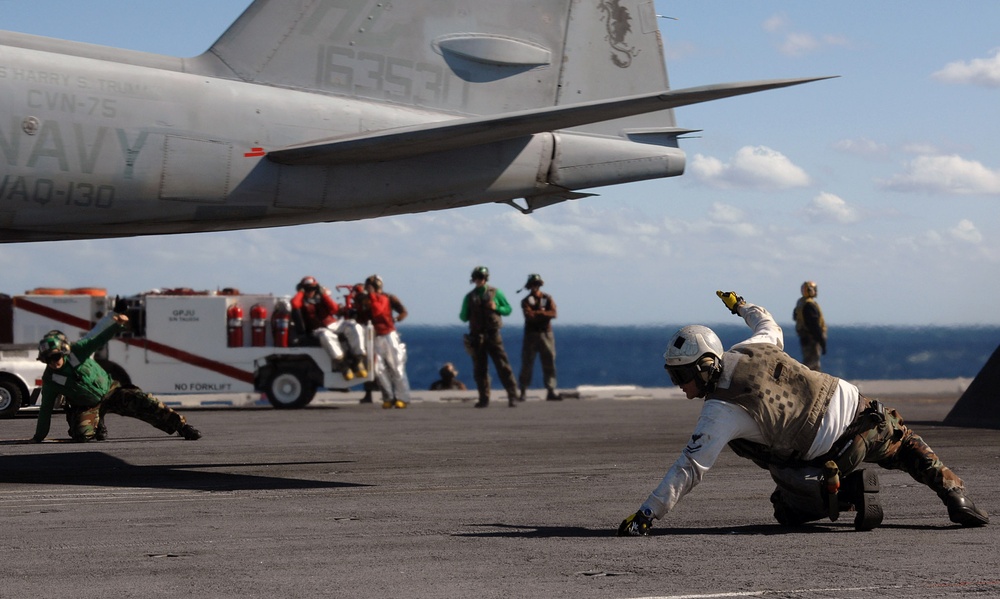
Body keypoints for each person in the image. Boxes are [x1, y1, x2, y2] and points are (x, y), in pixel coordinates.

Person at [618, 290, 989, 536]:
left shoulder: (721, 411)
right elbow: (766, 321)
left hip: (829, 452)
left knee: (784, 509)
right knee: (906, 443)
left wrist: (647, 516)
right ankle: (956, 497)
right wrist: (739, 304)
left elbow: (689, 469)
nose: (680, 385)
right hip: (862, 412)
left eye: (682, 376)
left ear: (705, 366)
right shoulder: (753, 345)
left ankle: (845, 492)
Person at [31, 306, 201, 443]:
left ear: (64, 352)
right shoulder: (50, 379)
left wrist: (117, 325)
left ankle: (182, 427)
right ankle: (98, 424)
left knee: (145, 402)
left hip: (111, 391)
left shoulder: (77, 351)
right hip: (87, 405)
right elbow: (45, 409)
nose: (53, 362)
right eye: (48, 360)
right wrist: (38, 437)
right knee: (82, 436)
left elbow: (97, 339)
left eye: (55, 356)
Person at [459, 266, 519, 408]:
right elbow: (463, 316)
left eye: (482, 277)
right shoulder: (469, 297)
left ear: (486, 278)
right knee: (480, 369)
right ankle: (484, 398)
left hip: (493, 335)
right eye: (477, 277)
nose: (480, 280)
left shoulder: (496, 293)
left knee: (503, 366)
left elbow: (508, 309)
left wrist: (496, 307)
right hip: (477, 337)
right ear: (473, 279)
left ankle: (512, 396)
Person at [290, 275, 367, 379]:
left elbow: (335, 309)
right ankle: (343, 365)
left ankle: (358, 360)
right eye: (307, 289)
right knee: (325, 335)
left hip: (334, 324)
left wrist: (324, 295)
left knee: (354, 326)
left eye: (312, 288)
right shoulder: (301, 300)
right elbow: (294, 304)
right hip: (318, 329)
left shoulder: (321, 297)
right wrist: (301, 292)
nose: (310, 291)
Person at [364, 274, 412, 409]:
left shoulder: (388, 298)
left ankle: (402, 397)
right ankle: (388, 397)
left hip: (389, 334)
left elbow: (402, 311)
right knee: (379, 369)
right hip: (374, 336)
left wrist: (396, 319)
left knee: (396, 367)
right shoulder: (366, 300)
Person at [518, 273, 561, 401]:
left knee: (549, 363)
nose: (534, 287)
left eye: (536, 284)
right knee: (527, 364)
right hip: (531, 335)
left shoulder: (547, 298)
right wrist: (543, 314)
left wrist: (538, 313)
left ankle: (551, 390)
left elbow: (553, 313)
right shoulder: (526, 301)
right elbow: (529, 316)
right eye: (532, 284)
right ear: (529, 286)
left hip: (546, 334)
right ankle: (523, 391)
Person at [792, 280, 827, 371]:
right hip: (812, 338)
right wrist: (821, 341)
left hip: (804, 337)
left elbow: (795, 317)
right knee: (813, 364)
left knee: (807, 360)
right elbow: (814, 325)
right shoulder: (810, 305)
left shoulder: (801, 303)